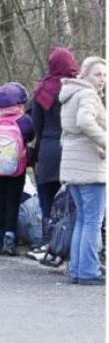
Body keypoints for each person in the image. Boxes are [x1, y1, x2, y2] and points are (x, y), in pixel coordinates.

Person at [59, 56, 106, 285]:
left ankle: (77, 269)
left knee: (82, 219)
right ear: (85, 75)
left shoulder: (71, 94)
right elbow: (85, 122)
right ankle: (88, 271)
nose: (102, 80)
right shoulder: (88, 95)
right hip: (89, 166)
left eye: (105, 75)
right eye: (98, 74)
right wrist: (105, 141)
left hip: (72, 163)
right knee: (92, 221)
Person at [31, 47, 80, 253]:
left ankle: (48, 243)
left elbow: (36, 127)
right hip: (73, 148)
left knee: (47, 201)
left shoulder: (42, 90)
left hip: (49, 149)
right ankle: (71, 245)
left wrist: (36, 155)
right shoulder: (79, 89)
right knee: (74, 202)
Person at [0, 83, 35, 256]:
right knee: (12, 202)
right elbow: (30, 136)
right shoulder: (23, 120)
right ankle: (9, 240)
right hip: (16, 169)